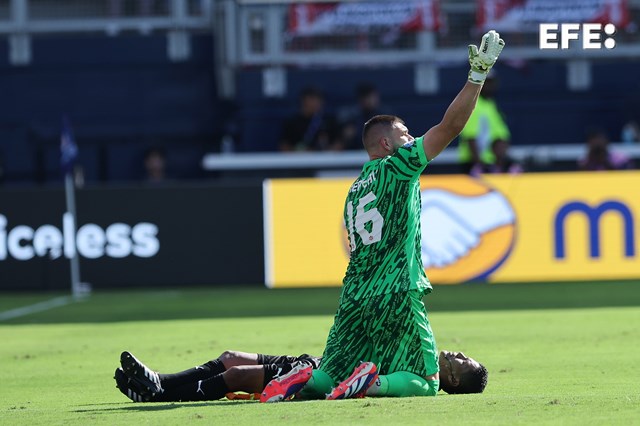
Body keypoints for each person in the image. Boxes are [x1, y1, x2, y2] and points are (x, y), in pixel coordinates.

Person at [261, 30, 504, 402]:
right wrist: (478, 75)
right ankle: (370, 385)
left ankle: (304, 383)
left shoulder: (357, 186)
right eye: (405, 134)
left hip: (355, 294)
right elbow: (451, 128)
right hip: (396, 288)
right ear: (386, 144)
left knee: (331, 373)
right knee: (427, 381)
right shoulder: (400, 166)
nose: (412, 139)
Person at [114, 349, 487, 402]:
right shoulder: (417, 349)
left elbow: (367, 383)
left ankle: (160, 396)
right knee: (229, 357)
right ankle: (161, 380)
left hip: (313, 375)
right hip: (318, 358)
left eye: (463, 361)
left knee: (239, 375)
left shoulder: (422, 382)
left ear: (454, 381)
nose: (456, 353)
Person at [457, 70, 511, 175]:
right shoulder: (473, 105)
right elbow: (470, 137)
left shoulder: (491, 104)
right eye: (486, 82)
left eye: (491, 82)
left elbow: (501, 135)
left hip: (488, 163)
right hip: (473, 164)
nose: (489, 86)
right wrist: (479, 165)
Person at [278, 87, 340, 152]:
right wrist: (300, 154)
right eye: (313, 99)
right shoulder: (291, 122)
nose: (317, 103)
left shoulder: (329, 120)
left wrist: (326, 153)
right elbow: (284, 146)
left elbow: (339, 143)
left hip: (325, 160)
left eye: (319, 99)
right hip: (299, 160)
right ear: (303, 101)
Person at [336, 83, 390, 151]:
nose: (372, 100)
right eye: (368, 97)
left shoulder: (385, 115)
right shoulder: (350, 115)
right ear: (361, 99)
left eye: (374, 97)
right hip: (353, 152)